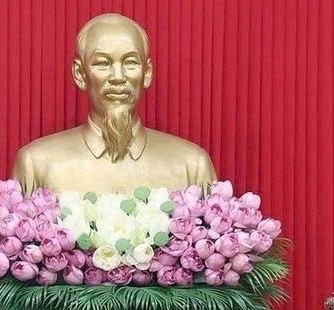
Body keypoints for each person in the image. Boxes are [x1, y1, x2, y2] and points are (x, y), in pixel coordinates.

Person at [12, 13, 217, 194]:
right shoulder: (35, 165)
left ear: (147, 73)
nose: (118, 77)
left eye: (130, 62)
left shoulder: (192, 166)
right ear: (80, 74)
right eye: (102, 63)